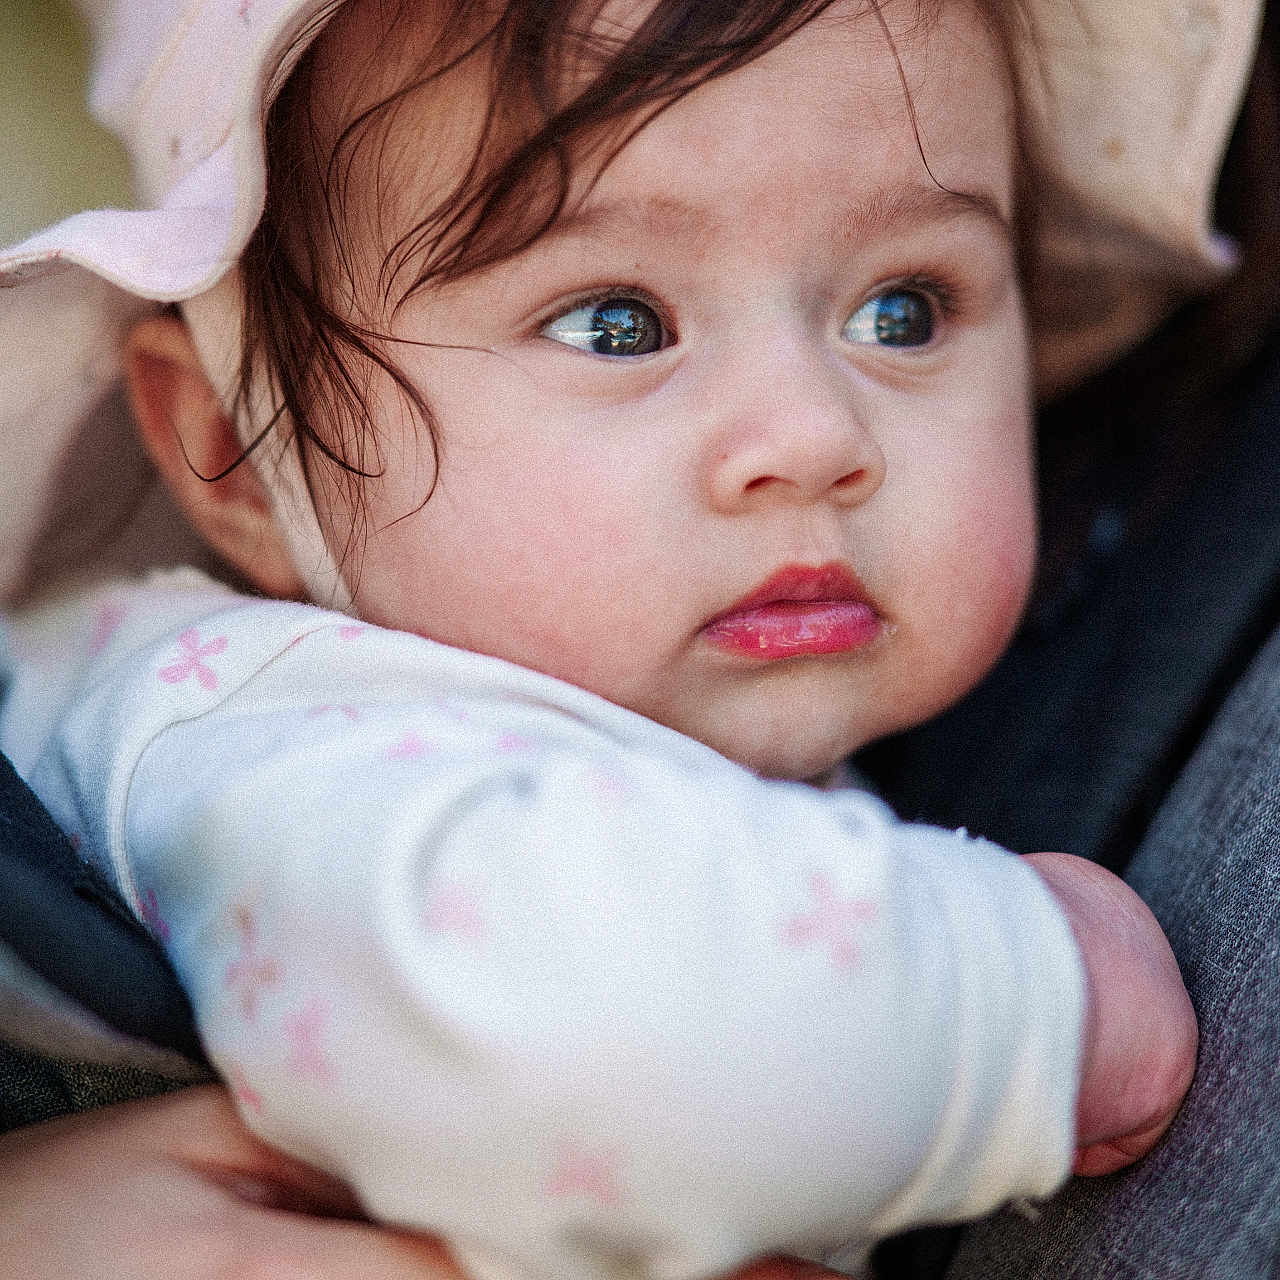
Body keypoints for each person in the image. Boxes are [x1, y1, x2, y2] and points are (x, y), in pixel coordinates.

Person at [0, 0, 1236, 1275]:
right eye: (616, 324)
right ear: (238, 460)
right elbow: (577, 1026)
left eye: (903, 310)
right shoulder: (275, 729)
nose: (812, 437)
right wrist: (1035, 1002)